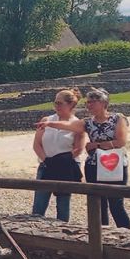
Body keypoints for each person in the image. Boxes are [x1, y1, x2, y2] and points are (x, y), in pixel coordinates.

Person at [38, 87, 130, 229]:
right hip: (94, 166)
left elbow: (121, 141)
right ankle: (101, 236)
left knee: (116, 203)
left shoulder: (118, 118)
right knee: (98, 204)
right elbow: (69, 125)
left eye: (92, 102)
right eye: (87, 102)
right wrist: (49, 123)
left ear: (103, 103)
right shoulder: (87, 122)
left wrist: (96, 145)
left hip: (115, 164)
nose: (88, 105)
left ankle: (126, 236)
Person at [31, 88, 86, 221]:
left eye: (59, 103)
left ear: (70, 105)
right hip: (46, 165)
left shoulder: (77, 124)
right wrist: (47, 161)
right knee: (39, 203)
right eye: (55, 103)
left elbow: (78, 148)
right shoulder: (46, 120)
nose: (56, 106)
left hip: (66, 166)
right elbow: (37, 144)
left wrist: (61, 161)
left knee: (63, 204)